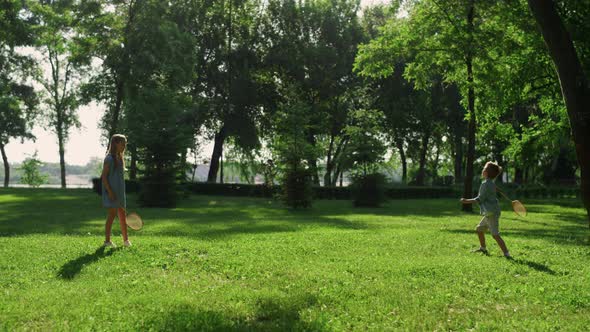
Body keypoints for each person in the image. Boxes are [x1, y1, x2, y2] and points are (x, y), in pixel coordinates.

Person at [461, 161, 511, 258]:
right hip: (490, 212)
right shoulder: (491, 183)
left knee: (495, 235)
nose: (482, 170)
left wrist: (466, 201)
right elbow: (491, 189)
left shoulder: (485, 184)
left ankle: (507, 254)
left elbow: (479, 199)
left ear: (486, 173)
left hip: (491, 213)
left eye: (484, 168)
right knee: (479, 229)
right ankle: (483, 248)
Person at [101, 134, 131, 248]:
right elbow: (104, 177)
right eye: (122, 144)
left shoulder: (120, 158)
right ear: (115, 144)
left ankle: (126, 240)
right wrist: (110, 192)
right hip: (111, 192)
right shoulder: (109, 159)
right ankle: (107, 241)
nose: (124, 146)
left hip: (119, 192)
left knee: (122, 214)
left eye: (125, 144)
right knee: (112, 215)